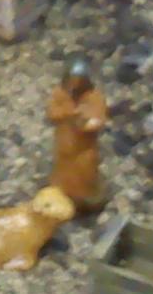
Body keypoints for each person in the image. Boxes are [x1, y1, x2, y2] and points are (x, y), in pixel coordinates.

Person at [45, 58, 111, 216]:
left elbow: (98, 119)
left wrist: (87, 122)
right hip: (65, 146)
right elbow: (52, 113)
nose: (75, 85)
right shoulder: (60, 94)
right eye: (72, 81)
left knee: (84, 176)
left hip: (84, 149)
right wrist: (69, 113)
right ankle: (62, 200)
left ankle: (83, 204)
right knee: (63, 176)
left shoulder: (94, 97)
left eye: (79, 81)